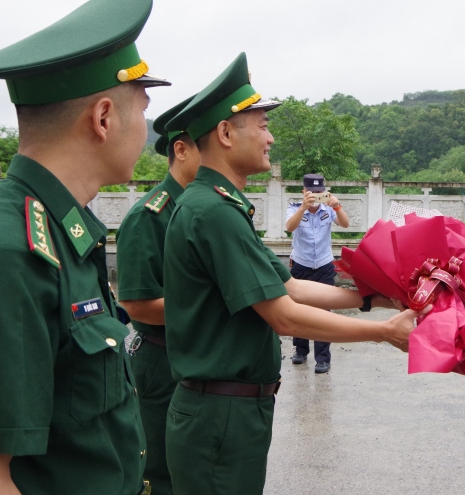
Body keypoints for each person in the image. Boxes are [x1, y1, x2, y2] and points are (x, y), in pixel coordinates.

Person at [161, 52, 418, 495]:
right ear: (225, 132)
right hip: (220, 414)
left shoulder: (217, 206)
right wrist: (383, 332)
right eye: (261, 126)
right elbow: (285, 316)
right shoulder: (212, 212)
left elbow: (290, 286)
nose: (271, 137)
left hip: (226, 409)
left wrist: (372, 299)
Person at [0, 0, 170, 493]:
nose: (147, 130)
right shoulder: (9, 252)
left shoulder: (62, 231)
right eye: (142, 110)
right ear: (103, 118)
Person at [115, 94, 200, 495]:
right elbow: (136, 304)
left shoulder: (206, 211)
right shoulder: (149, 216)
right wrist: (214, 311)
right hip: (161, 360)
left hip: (199, 356)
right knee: (161, 474)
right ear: (180, 151)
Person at [285, 173, 351, 373]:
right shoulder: (294, 208)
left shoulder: (328, 209)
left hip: (323, 265)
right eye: (311, 192)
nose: (315, 196)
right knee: (299, 309)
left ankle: (323, 358)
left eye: (319, 192)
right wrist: (304, 207)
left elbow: (346, 224)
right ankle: (300, 350)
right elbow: (289, 227)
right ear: (303, 192)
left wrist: (337, 206)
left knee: (324, 311)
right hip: (301, 265)